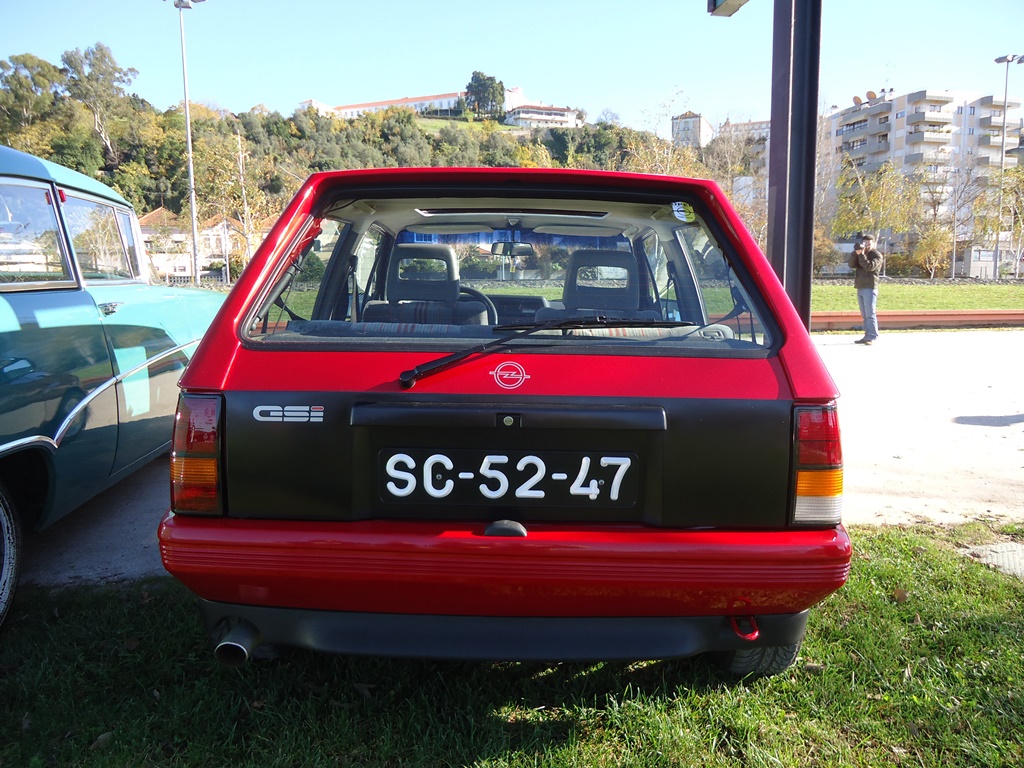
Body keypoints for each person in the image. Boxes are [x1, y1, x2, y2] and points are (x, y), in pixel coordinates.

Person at [849, 234, 883, 345]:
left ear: (874, 244)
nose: (866, 246)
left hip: (870, 287)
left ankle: (872, 336)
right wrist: (856, 253)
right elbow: (851, 264)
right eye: (864, 243)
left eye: (869, 244)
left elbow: (869, 267)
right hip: (860, 286)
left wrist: (862, 255)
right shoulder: (862, 253)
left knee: (870, 314)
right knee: (865, 315)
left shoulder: (876, 255)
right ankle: (867, 336)